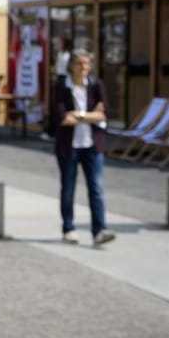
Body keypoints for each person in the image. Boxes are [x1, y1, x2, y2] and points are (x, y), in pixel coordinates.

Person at [50, 49, 114, 245]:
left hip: (92, 145)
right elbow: (62, 118)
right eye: (79, 63)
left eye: (87, 63)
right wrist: (89, 115)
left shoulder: (95, 85)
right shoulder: (62, 86)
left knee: (96, 187)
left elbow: (104, 114)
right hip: (69, 146)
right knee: (68, 187)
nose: (83, 67)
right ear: (71, 66)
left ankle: (99, 230)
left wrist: (78, 115)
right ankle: (68, 228)